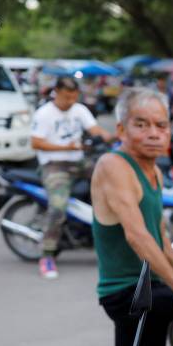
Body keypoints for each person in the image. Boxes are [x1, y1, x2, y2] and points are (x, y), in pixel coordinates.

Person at [90, 88, 173, 346]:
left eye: (161, 125)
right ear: (121, 129)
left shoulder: (154, 171)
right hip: (125, 291)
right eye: (141, 124)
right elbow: (137, 236)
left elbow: (162, 240)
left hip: (148, 286)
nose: (154, 133)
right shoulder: (113, 165)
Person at [30, 76, 113, 279]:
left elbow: (94, 129)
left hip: (78, 161)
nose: (71, 101)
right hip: (54, 165)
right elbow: (36, 143)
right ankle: (47, 255)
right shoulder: (44, 114)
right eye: (67, 97)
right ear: (56, 92)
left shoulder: (79, 109)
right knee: (58, 207)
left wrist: (111, 136)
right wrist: (66, 147)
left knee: (113, 181)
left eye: (74, 97)